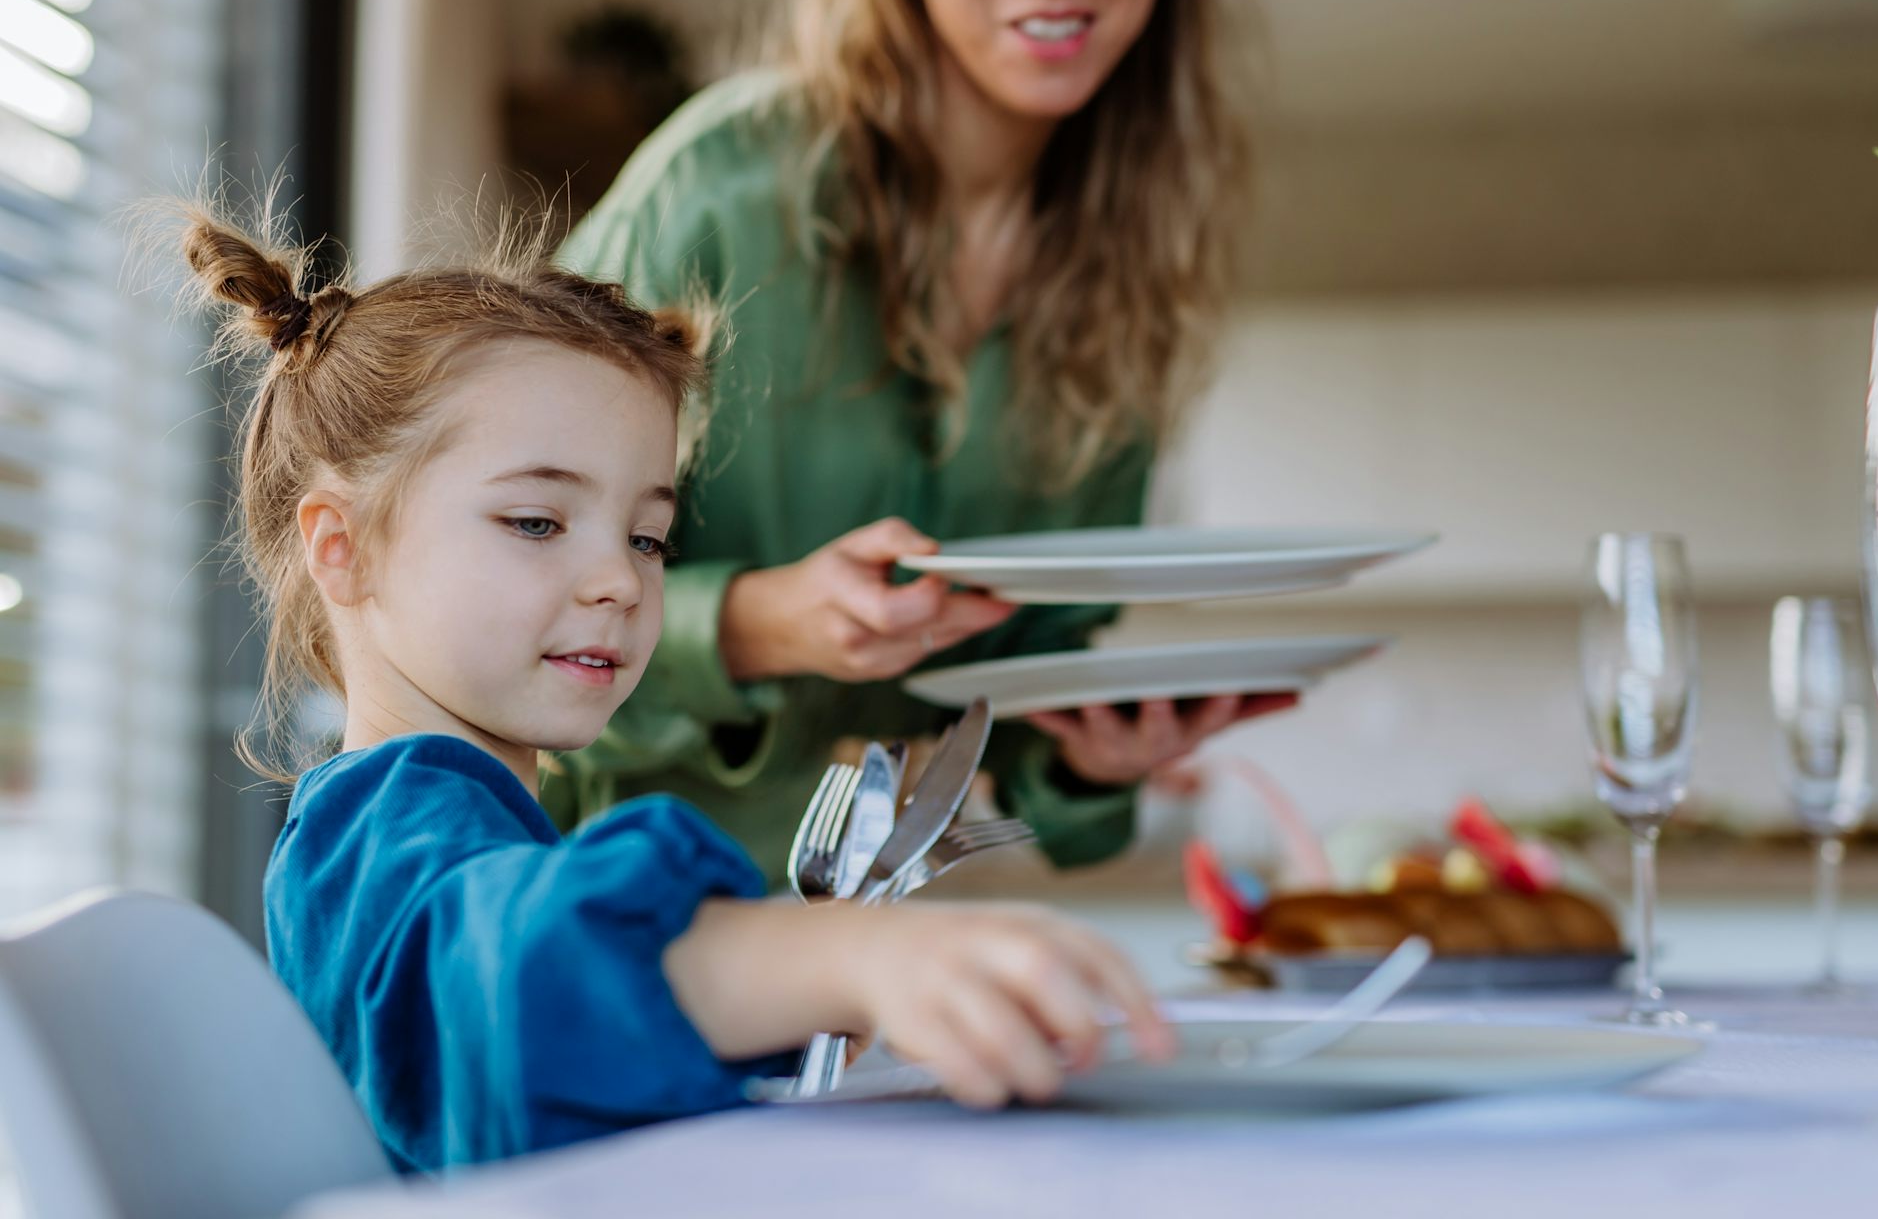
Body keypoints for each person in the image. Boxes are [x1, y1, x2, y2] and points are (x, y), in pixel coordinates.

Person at [169, 199, 1170, 1171]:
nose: (622, 579)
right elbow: (529, 977)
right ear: (342, 550)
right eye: (536, 521)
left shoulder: (457, 817)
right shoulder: (382, 830)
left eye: (648, 536)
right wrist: (851, 957)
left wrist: (805, 1006)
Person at [553, 0, 1292, 879]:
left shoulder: (1132, 265)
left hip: (881, 946)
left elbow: (1033, 698)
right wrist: (758, 623)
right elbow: (506, 597)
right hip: (609, 914)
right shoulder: (720, 188)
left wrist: (1092, 759)